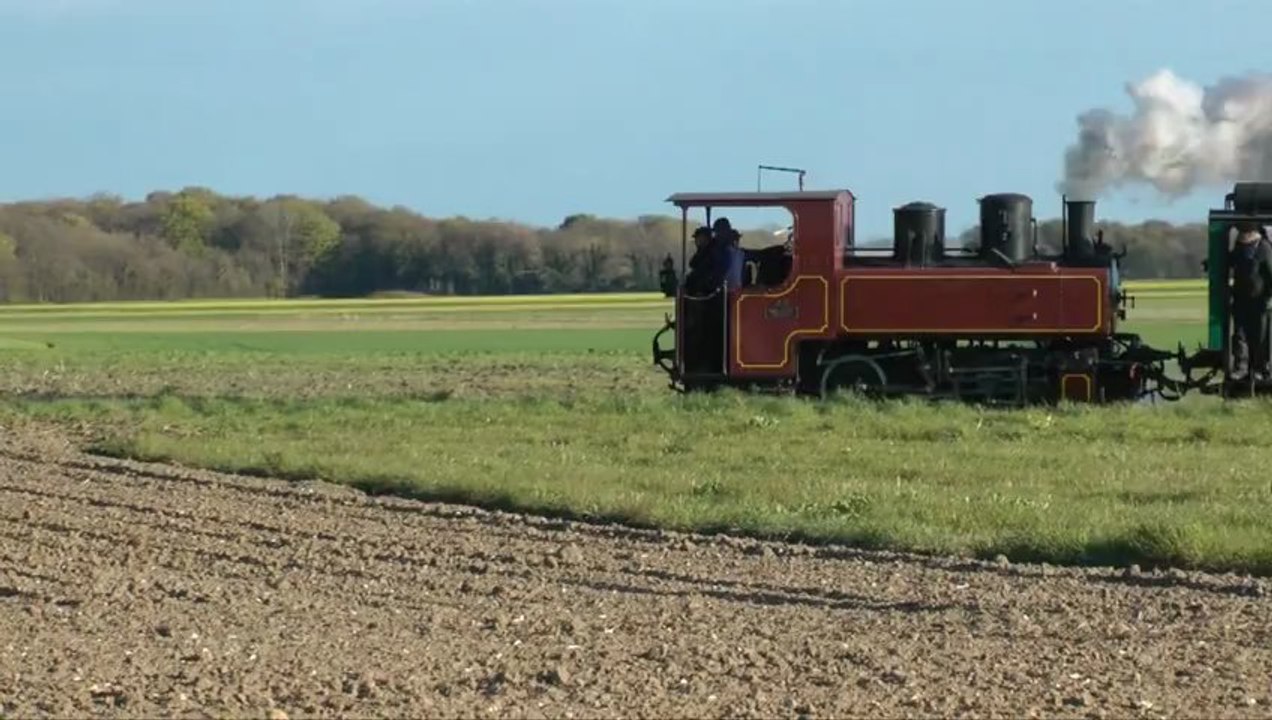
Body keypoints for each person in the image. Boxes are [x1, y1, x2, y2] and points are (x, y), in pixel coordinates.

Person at [1229, 222, 1272, 379]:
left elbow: (1270, 272)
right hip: (1241, 300)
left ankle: (1260, 369)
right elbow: (1230, 262)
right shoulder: (1239, 248)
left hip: (1260, 301)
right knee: (1240, 336)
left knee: (1260, 337)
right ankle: (1241, 368)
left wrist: (1269, 297)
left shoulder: (1264, 248)